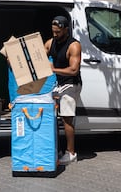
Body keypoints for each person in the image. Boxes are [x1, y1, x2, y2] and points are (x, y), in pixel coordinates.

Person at [44, 15, 82, 165]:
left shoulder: (74, 46)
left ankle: (71, 153)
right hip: (59, 84)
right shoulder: (50, 43)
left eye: (58, 32)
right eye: (53, 31)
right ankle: (57, 149)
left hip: (71, 84)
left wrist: (54, 70)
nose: (55, 35)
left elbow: (73, 70)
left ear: (66, 30)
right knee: (53, 117)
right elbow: (37, 56)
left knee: (66, 118)